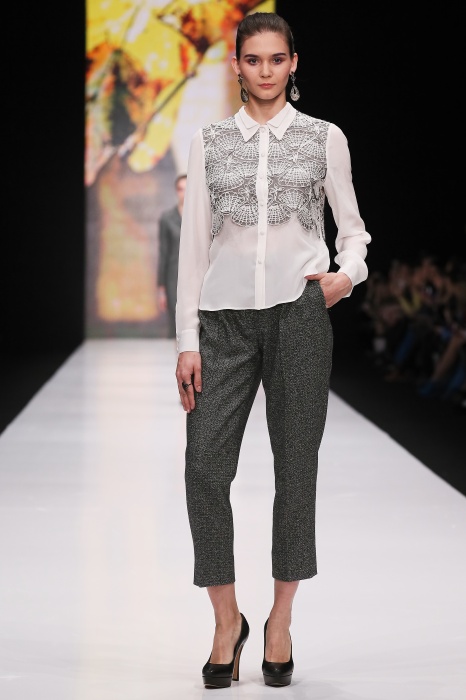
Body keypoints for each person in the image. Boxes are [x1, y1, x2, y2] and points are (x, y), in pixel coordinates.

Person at [175, 12, 371, 689]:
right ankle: (226, 620)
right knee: (204, 469)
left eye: (276, 59)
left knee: (296, 471)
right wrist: (186, 340)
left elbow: (353, 229)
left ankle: (280, 620)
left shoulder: (324, 138)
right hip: (222, 324)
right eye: (253, 59)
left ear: (293, 63)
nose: (265, 70)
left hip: (299, 318)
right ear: (236, 65)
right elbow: (192, 246)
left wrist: (347, 276)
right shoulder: (208, 142)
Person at [157, 174, 187, 338]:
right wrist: (161, 288)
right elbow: (164, 252)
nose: (184, 193)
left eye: (187, 189)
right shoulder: (167, 218)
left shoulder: (202, 217)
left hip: (198, 274)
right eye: (181, 189)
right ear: (176, 191)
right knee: (176, 323)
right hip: (173, 277)